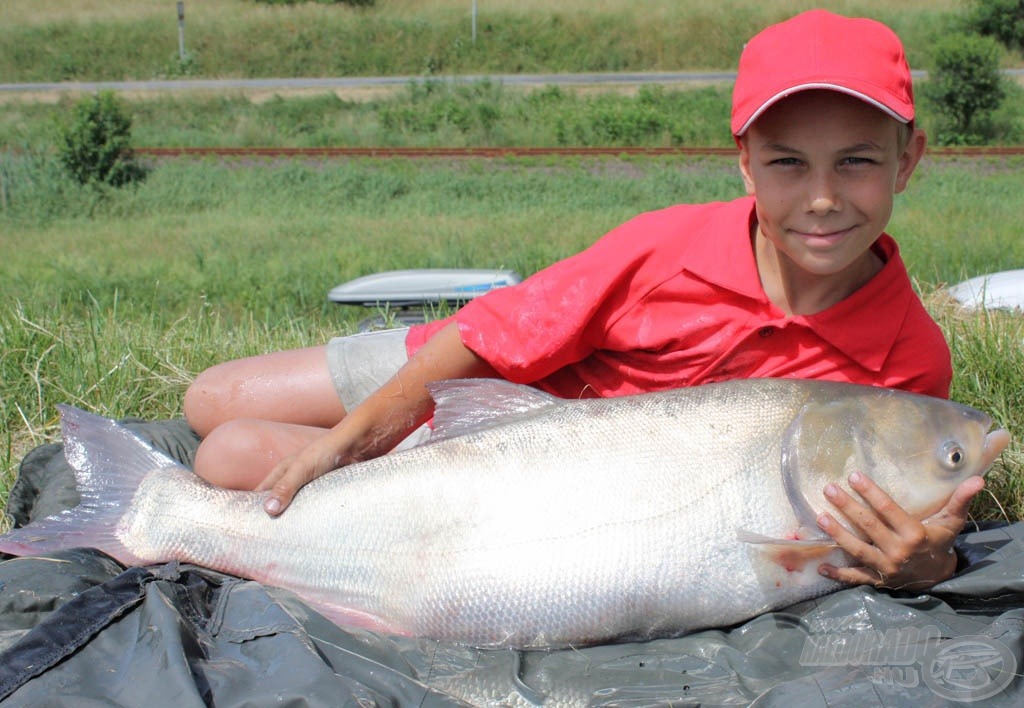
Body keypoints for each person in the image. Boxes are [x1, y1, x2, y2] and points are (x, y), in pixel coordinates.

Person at [183, 9, 984, 591]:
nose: (821, 200)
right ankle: (366, 445)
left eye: (854, 163)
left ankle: (392, 476)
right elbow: (494, 340)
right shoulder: (665, 249)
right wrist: (348, 446)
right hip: (484, 360)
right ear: (744, 162)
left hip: (540, 463)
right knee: (209, 399)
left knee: (230, 456)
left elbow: (899, 526)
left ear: (908, 159)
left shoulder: (906, 359)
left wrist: (928, 561)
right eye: (787, 164)